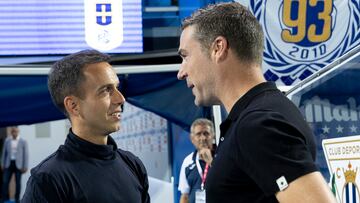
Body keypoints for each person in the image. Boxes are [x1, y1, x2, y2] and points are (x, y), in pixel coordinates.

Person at [177, 2, 336, 203]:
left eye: (185, 56)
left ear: (218, 48)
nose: (181, 72)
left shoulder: (258, 124)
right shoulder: (262, 114)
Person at [21, 50, 150, 203]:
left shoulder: (133, 165)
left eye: (116, 87)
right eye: (106, 90)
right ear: (73, 105)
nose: (120, 98)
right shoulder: (48, 179)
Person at [178, 118, 214, 203]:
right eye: (198, 134)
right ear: (192, 138)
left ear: (213, 135)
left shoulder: (221, 156)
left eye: (206, 133)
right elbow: (185, 195)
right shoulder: (188, 161)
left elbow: (228, 184)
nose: (203, 138)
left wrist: (211, 162)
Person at [1, 126, 28, 203]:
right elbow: (4, 153)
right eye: (13, 132)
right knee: (5, 182)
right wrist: (2, 164)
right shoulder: (7, 141)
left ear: (18, 131)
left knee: (18, 183)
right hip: (8, 164)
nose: (14, 133)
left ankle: (17, 200)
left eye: (15, 131)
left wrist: (25, 166)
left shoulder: (23, 141)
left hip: (18, 165)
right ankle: (3, 199)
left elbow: (25, 155)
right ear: (11, 132)